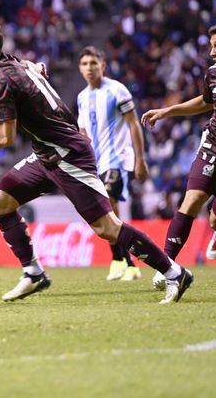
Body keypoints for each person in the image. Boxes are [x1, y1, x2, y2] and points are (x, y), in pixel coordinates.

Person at [0, 20, 192, 304]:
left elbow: (5, 137)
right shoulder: (14, 63)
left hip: (67, 156)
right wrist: (36, 68)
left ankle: (175, 273)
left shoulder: (0, 79)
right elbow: (32, 65)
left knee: (107, 228)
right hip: (46, 155)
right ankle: (33, 273)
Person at [141, 19, 216, 288]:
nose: (212, 52)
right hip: (213, 146)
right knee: (192, 198)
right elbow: (205, 102)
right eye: (211, 46)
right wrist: (168, 111)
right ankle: (167, 267)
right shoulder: (213, 74)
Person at [76, 46, 149, 281]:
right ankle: (125, 261)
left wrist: (140, 159)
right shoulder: (82, 97)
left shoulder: (117, 90)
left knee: (108, 201)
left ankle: (122, 260)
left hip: (117, 158)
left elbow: (133, 124)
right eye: (85, 64)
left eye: (93, 63)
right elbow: (83, 132)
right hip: (95, 163)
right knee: (105, 214)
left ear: (103, 65)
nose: (89, 68)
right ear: (80, 68)